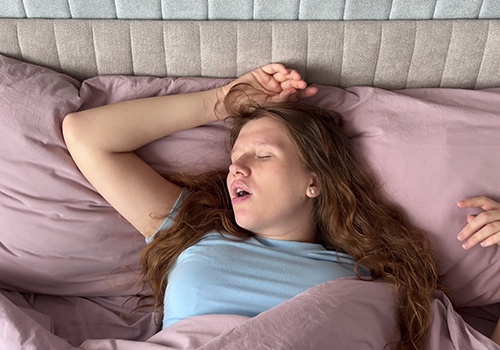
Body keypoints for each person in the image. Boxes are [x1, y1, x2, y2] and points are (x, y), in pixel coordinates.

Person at [62, 64, 500, 349]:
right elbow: (86, 135)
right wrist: (222, 101)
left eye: (263, 155)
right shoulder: (192, 233)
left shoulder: (372, 280)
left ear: (315, 180)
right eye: (235, 160)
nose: (237, 170)